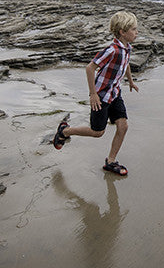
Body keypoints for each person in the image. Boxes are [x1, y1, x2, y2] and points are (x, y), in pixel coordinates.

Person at [53, 11, 139, 176]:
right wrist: (93, 94)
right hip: (100, 96)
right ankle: (64, 131)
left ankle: (111, 161)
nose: (137, 32)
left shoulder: (127, 48)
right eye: (134, 29)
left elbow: (126, 63)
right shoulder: (112, 50)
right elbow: (90, 68)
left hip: (115, 93)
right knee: (97, 132)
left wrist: (131, 81)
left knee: (123, 126)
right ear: (122, 31)